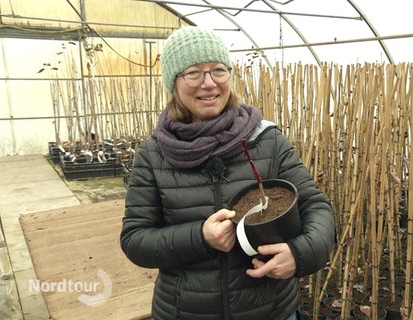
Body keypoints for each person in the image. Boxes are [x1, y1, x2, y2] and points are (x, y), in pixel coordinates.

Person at [120, 26, 335, 320]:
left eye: (218, 70)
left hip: (271, 311)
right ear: (173, 83)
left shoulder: (267, 140)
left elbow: (315, 205)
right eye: (193, 72)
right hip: (185, 312)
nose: (209, 83)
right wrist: (200, 237)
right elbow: (135, 239)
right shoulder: (154, 154)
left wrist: (299, 254)